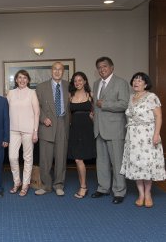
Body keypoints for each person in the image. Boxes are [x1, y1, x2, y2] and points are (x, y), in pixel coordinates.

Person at [120, 72, 165, 208]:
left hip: (147, 135)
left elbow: (158, 117)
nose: (136, 82)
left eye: (140, 80)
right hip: (132, 137)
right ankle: (141, 194)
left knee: (146, 165)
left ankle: (148, 193)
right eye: (135, 80)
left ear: (146, 84)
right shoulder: (131, 97)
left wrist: (156, 134)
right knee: (136, 166)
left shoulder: (152, 97)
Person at [91, 56, 130, 204]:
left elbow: (124, 104)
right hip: (99, 128)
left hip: (115, 129)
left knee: (117, 162)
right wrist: (94, 113)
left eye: (105, 66)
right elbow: (97, 105)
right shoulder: (96, 84)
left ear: (112, 67)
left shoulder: (121, 83)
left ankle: (119, 191)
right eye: (99, 67)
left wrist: (104, 104)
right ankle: (103, 188)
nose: (102, 69)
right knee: (101, 162)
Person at [35, 62, 70, 197]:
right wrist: (43, 118)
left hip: (62, 124)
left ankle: (59, 185)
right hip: (47, 125)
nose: (57, 72)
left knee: (61, 158)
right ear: (51, 71)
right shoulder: (41, 87)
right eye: (55, 69)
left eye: (60, 69)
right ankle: (45, 186)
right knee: (45, 159)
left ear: (63, 72)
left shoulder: (68, 86)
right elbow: (36, 107)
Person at [7, 70, 39, 197]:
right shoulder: (10, 93)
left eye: (25, 78)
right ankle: (17, 182)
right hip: (13, 130)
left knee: (27, 158)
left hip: (28, 131)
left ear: (28, 80)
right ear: (16, 80)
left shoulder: (32, 93)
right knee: (12, 157)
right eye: (19, 78)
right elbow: (5, 112)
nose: (22, 80)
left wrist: (35, 131)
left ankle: (25, 184)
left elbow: (37, 113)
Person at [67, 72, 96, 198]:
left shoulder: (91, 95)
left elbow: (96, 114)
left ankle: (83, 186)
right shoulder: (70, 95)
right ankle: (83, 185)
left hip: (87, 129)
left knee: (80, 159)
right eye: (75, 81)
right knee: (78, 159)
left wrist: (93, 117)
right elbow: (68, 115)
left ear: (85, 81)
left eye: (80, 80)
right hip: (74, 129)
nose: (78, 83)